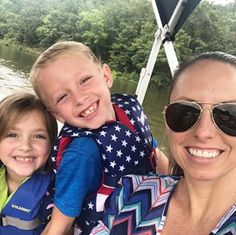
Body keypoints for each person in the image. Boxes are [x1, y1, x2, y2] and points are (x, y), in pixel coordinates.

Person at [29, 40, 169, 234]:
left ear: (106, 76)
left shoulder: (128, 110)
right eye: (62, 97)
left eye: (85, 80)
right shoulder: (81, 154)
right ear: (57, 114)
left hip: (148, 209)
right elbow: (59, 226)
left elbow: (153, 154)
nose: (79, 98)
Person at [90, 51, 236, 235]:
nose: (203, 132)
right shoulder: (131, 192)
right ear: (167, 120)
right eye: (185, 112)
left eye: (229, 115)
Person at [0, 92, 58, 235]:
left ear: (52, 144)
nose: (25, 146)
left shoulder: (58, 192)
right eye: (12, 135)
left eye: (38, 136)